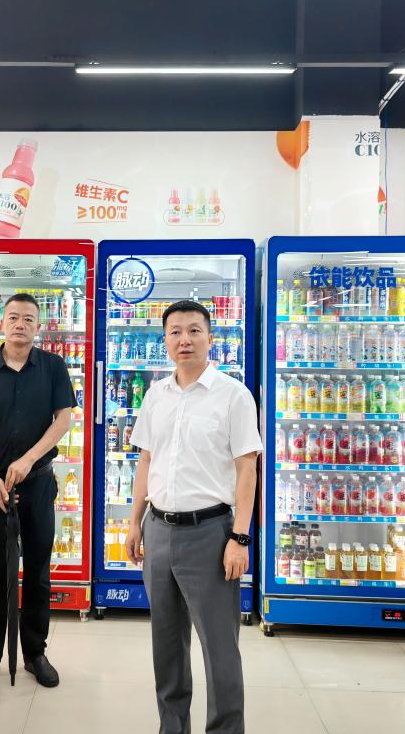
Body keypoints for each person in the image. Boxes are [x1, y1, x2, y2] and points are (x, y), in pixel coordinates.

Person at [125, 299, 261, 734]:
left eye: (194, 330)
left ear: (210, 338)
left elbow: (247, 469)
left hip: (210, 533)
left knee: (219, 647)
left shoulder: (233, 396)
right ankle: (172, 727)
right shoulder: (155, 395)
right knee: (166, 645)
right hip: (158, 530)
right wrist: (134, 521)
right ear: (165, 341)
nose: (184, 339)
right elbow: (146, 461)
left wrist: (239, 538)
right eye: (175, 332)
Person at [0, 292, 76, 691]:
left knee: (38, 571)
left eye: (27, 318)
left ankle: (36, 653)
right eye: (13, 317)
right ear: (1, 322)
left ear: (38, 326)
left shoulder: (53, 367)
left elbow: (63, 420)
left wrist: (28, 460)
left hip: (38, 482)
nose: (20, 324)